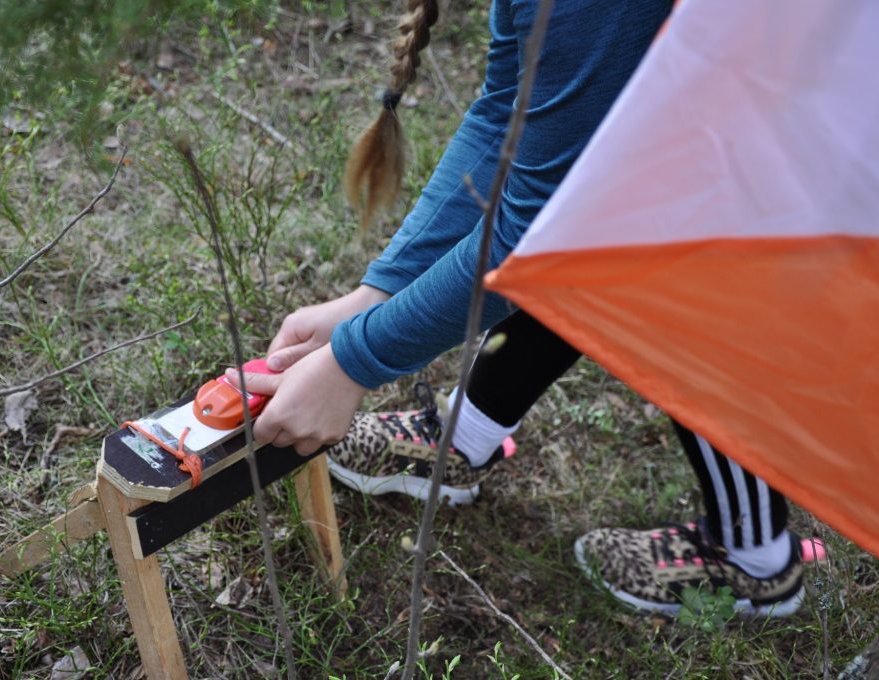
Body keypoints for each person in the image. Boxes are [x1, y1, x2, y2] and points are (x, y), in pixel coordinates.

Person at [228, 0, 804, 616]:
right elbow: (508, 113)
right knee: (608, 209)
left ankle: (754, 558)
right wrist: (377, 295)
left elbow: (541, 230)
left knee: (671, 250)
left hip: (796, 145)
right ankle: (463, 439)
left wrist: (354, 363)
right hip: (721, 114)